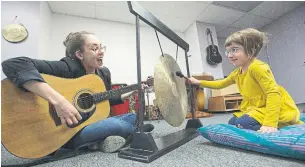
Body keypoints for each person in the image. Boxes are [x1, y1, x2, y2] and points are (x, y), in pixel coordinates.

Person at [1, 31, 154, 154]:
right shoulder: (66, 67)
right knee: (118, 125)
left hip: (88, 123)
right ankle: (104, 140)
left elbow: (101, 100)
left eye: (102, 47)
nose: (101, 52)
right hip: (64, 132)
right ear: (79, 55)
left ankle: (97, 142)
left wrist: (127, 93)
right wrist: (59, 102)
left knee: (133, 117)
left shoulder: (103, 73)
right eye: (94, 48)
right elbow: (13, 64)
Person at [187, 28, 303, 133]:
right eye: (228, 51)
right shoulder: (237, 72)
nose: (229, 55)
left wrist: (270, 123)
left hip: (271, 106)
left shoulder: (257, 67)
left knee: (242, 124)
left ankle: (283, 124)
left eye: (235, 50)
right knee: (232, 122)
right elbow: (220, 84)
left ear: (251, 50)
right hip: (256, 108)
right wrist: (198, 82)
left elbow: (273, 94)